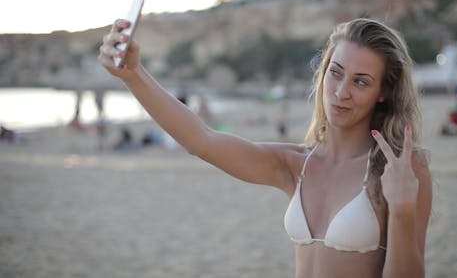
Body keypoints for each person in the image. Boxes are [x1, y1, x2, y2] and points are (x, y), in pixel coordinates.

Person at [98, 17, 432, 277]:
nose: (341, 92)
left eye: (361, 82)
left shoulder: (400, 170)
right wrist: (133, 74)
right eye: (336, 73)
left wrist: (402, 210)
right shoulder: (295, 164)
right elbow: (201, 140)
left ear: (383, 92)